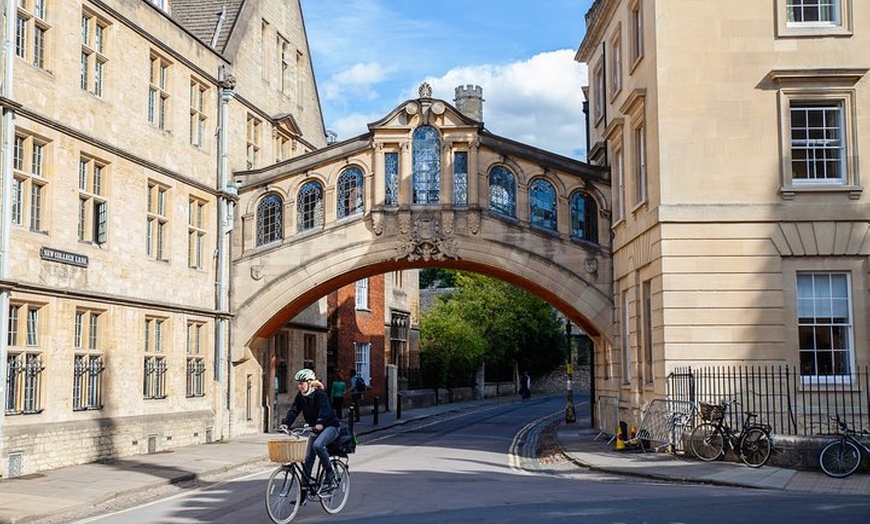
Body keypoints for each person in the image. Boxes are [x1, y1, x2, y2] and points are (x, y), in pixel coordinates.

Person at [280, 368, 340, 490]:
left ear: (309, 383)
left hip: (330, 426)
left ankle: (330, 473)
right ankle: (304, 491)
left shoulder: (320, 394)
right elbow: (294, 410)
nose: (299, 386)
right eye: (298, 384)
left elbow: (325, 411)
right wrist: (286, 423)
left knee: (318, 445)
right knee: (308, 459)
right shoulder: (301, 396)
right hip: (315, 428)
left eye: (302, 383)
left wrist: (320, 423)